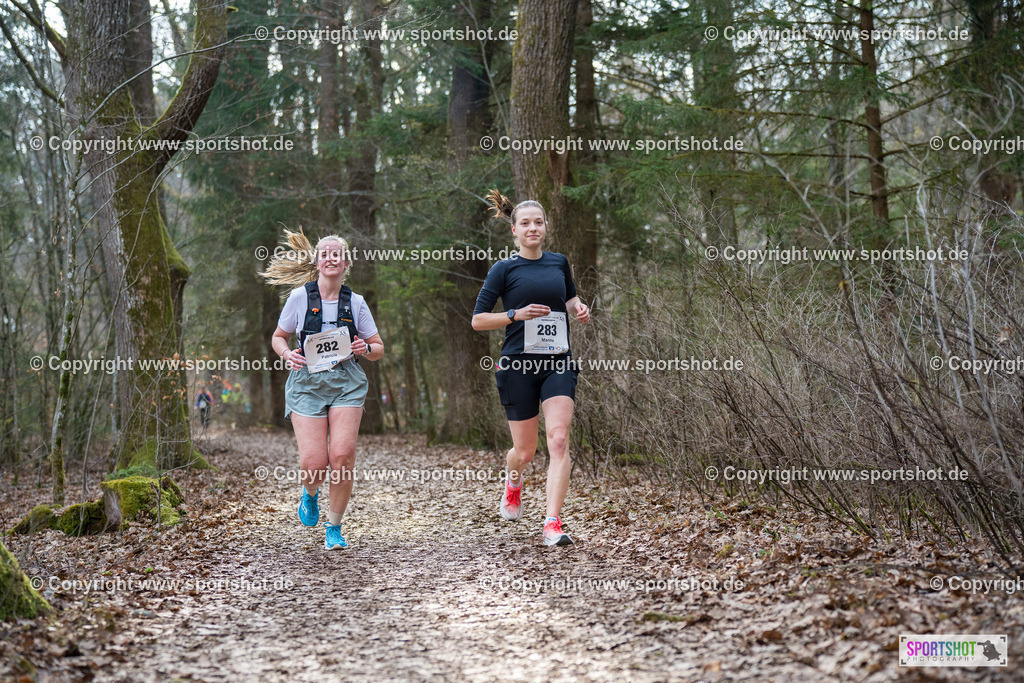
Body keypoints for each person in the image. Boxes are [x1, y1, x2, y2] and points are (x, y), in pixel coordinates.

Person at [472, 190, 590, 546]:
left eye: (538, 222)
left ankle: (552, 523)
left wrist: (578, 308)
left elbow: (569, 299)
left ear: (545, 227)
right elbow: (478, 320)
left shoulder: (558, 262)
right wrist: (514, 315)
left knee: (558, 439)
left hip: (557, 361)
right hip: (518, 365)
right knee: (524, 453)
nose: (533, 228)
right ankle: (513, 482)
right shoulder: (504, 269)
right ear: (514, 230)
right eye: (525, 223)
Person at [262, 230, 384, 550]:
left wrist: (363, 347)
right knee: (314, 464)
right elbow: (278, 336)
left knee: (342, 456)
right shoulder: (300, 298)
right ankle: (310, 492)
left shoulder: (355, 302)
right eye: (325, 254)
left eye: (336, 254)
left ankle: (334, 528)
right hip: (307, 384)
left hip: (346, 382)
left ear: (346, 263)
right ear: (317, 263)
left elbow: (378, 348)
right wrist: (288, 354)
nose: (331, 258)